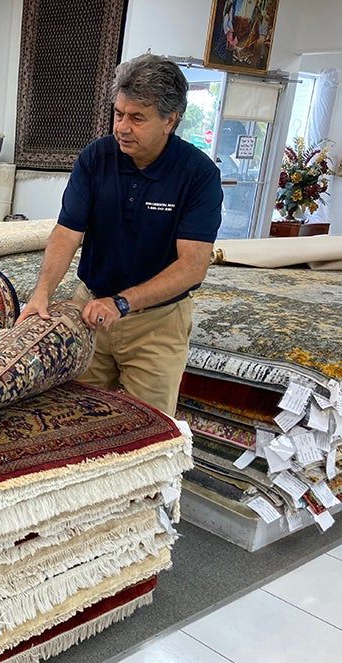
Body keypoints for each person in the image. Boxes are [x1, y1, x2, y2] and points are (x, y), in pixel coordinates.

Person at [17, 54, 223, 417]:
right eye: (119, 113)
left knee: (147, 431)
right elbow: (67, 232)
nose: (123, 127)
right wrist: (42, 293)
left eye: (137, 118)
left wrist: (123, 302)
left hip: (156, 323)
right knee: (74, 415)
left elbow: (193, 266)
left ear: (170, 120)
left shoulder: (198, 175)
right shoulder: (96, 158)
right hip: (90, 308)